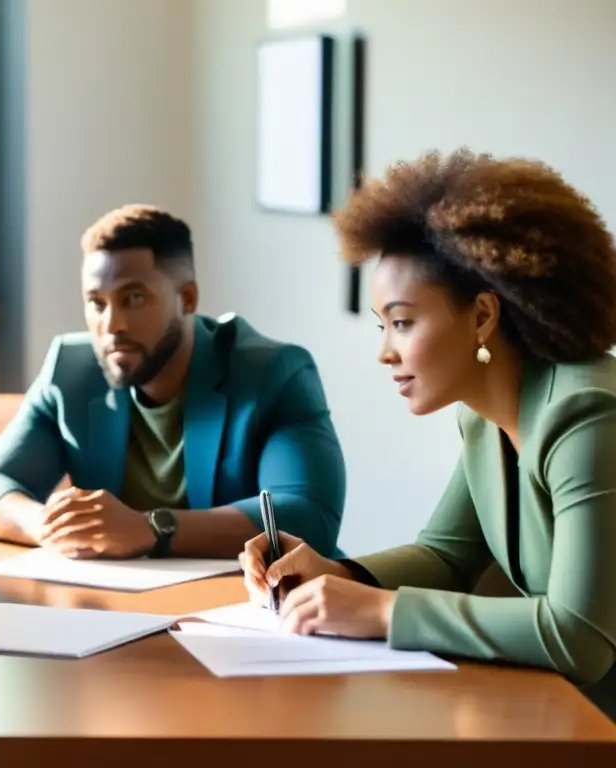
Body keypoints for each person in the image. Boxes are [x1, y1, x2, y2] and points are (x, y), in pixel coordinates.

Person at [240, 148, 616, 719]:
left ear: (483, 317)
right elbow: (446, 555)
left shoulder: (587, 417)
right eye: (382, 325)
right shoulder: (485, 415)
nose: (385, 352)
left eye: (403, 322)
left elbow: (580, 637)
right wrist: (335, 575)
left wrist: (380, 611)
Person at [0, 204, 346, 559]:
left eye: (135, 299)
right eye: (97, 303)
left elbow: (308, 516)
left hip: (257, 611)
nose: (112, 325)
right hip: (122, 610)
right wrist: (47, 525)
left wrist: (152, 528)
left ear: (188, 299)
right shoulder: (70, 372)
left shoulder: (274, 373)